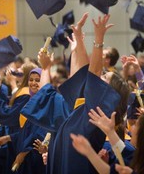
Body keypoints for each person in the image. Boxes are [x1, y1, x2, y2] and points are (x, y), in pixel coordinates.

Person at [21, 13, 130, 174]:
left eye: (105, 76)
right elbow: (79, 78)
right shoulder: (81, 111)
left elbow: (93, 72)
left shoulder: (98, 110)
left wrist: (98, 39)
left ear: (110, 93)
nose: (101, 75)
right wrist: (78, 42)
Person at [71, 108, 144, 174]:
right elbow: (110, 170)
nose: (131, 128)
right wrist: (109, 131)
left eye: (135, 125)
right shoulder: (140, 155)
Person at [0, 68, 46, 174]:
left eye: (37, 80)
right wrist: (9, 137)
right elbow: (26, 131)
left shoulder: (44, 103)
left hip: (35, 156)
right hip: (25, 155)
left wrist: (23, 154)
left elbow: (38, 134)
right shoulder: (32, 101)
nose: (33, 83)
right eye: (31, 79)